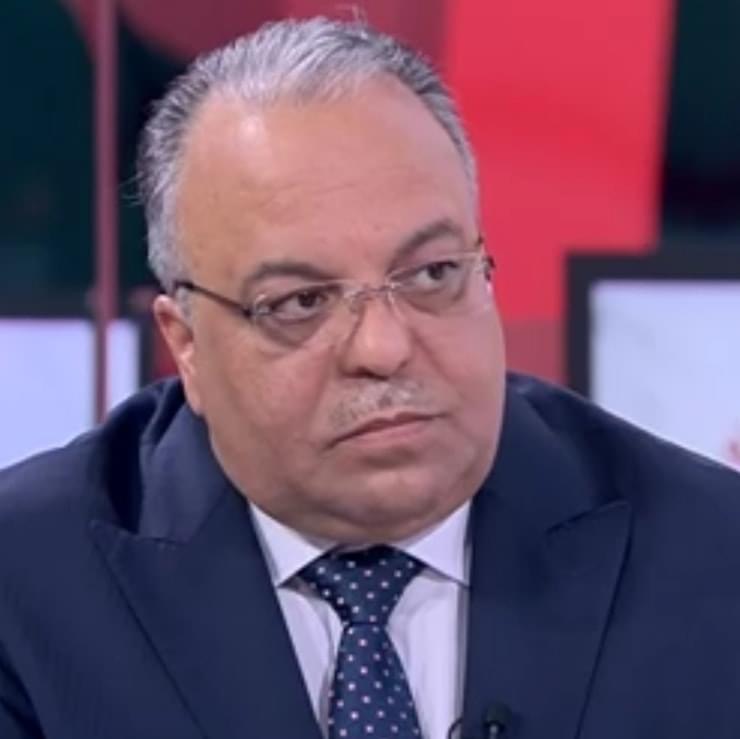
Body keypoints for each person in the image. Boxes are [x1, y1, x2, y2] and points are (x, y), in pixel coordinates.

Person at [1, 17, 740, 739]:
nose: (384, 349)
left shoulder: (710, 557)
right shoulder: (27, 594)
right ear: (186, 344)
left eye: (432, 273)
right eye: (301, 302)